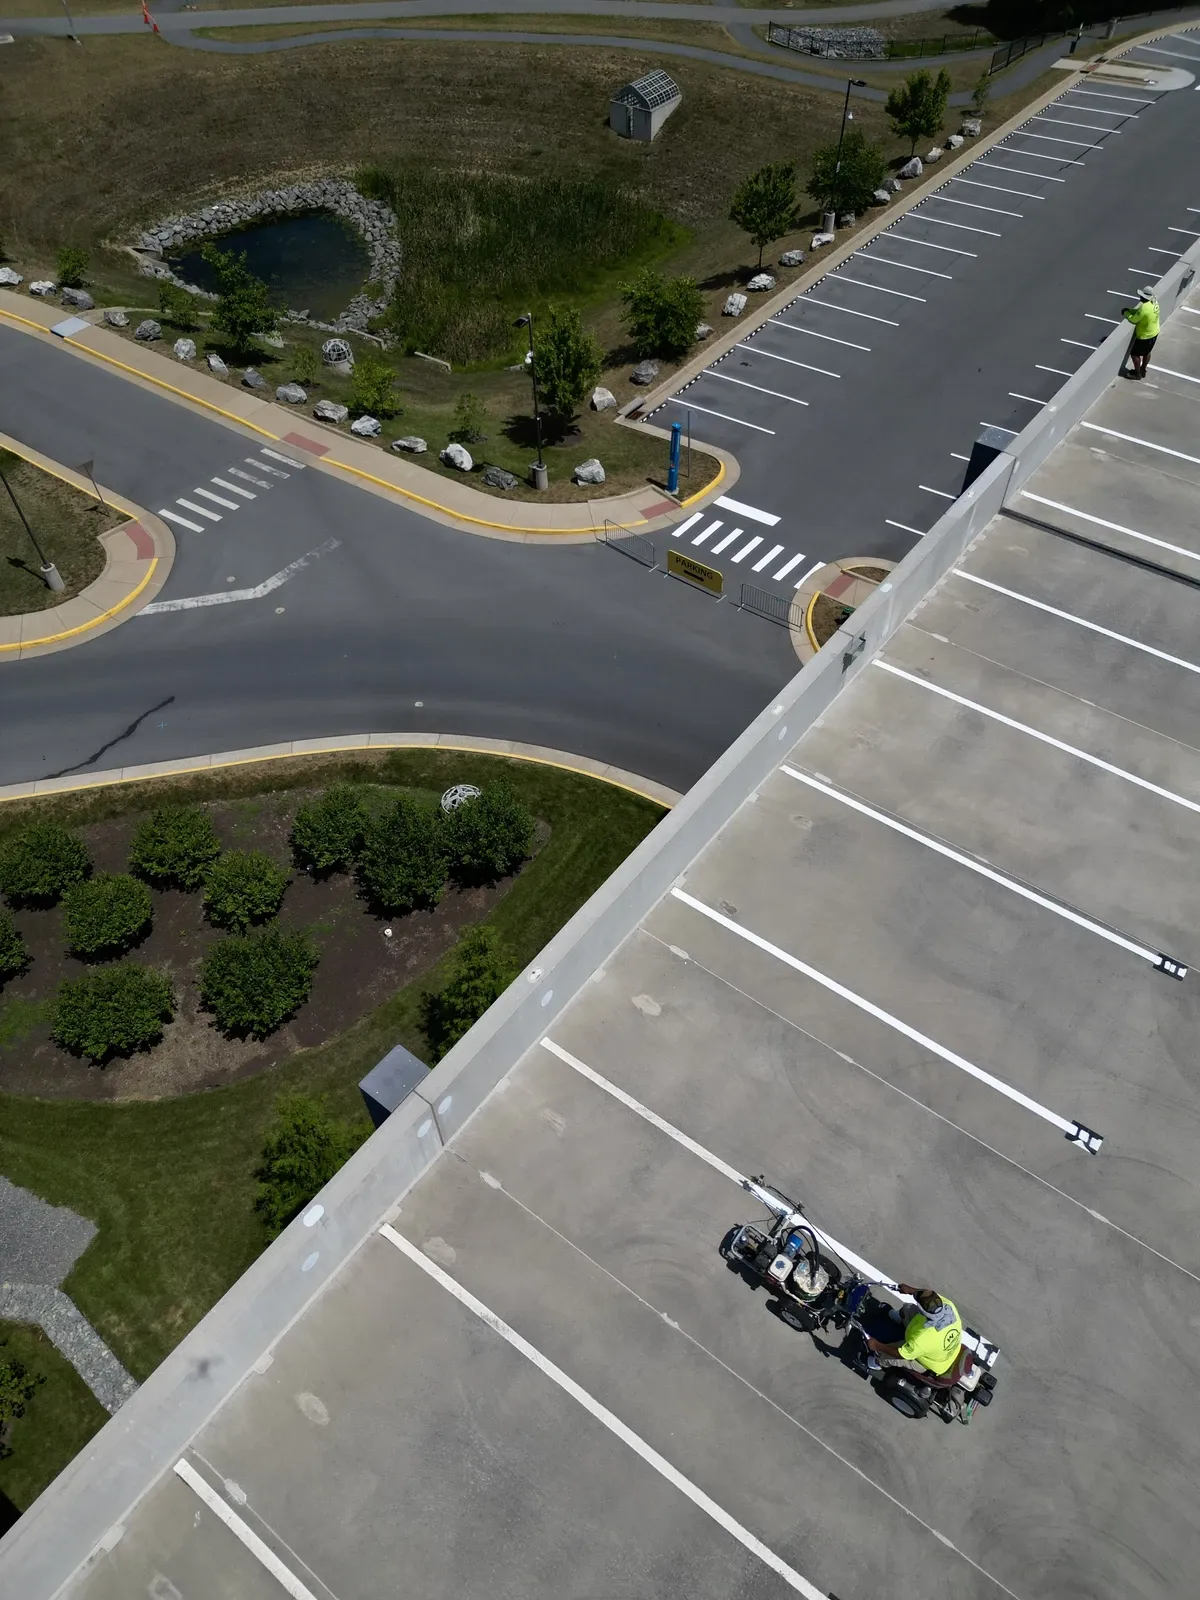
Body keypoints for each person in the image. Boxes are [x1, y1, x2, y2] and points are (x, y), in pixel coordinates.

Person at [865, 1283, 963, 1378]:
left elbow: (901, 1354)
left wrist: (876, 1345)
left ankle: (876, 1363)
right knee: (909, 1308)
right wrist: (911, 1290)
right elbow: (926, 1296)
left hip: (933, 1362)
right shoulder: (948, 1305)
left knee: (890, 1356)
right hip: (941, 1348)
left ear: (924, 1312)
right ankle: (897, 1318)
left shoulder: (923, 1338)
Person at [1122, 287, 1160, 380]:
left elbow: (1134, 319)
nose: (1140, 296)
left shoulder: (1144, 307)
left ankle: (1138, 374)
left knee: (1135, 354)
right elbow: (1140, 312)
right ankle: (1143, 369)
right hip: (1155, 331)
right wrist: (1131, 310)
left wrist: (1126, 313)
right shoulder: (1154, 302)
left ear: (1144, 297)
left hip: (1145, 335)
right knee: (1147, 352)